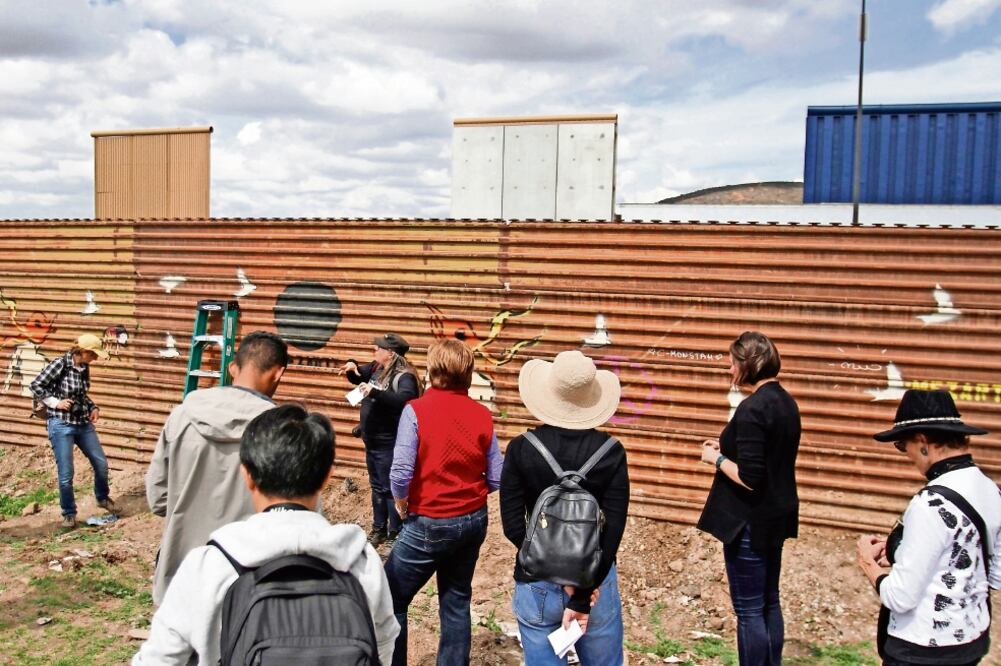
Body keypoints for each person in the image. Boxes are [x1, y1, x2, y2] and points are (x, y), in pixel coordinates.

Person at [133, 404, 399, 665]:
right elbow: (383, 646)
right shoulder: (361, 561)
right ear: (326, 477)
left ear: (247, 476)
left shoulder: (211, 564)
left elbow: (161, 658)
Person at [499, 349, 629, 665]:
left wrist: (553, 568)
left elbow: (513, 526)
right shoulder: (611, 452)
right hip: (594, 581)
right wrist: (582, 590)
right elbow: (612, 534)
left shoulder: (521, 449)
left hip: (536, 581)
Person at [856, 389, 1000, 666]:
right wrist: (902, 552)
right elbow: (993, 575)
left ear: (922, 441)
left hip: (920, 649)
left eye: (902, 444)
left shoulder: (930, 504)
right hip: (970, 644)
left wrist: (868, 564)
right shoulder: (991, 490)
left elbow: (899, 597)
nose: (905, 454)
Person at [145, 330, 288, 605]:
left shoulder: (182, 416)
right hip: (249, 589)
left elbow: (158, 498)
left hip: (181, 581)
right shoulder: (282, 429)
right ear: (278, 373)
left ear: (232, 367)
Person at [384, 338, 501, 666]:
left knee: (390, 597)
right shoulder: (481, 415)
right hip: (473, 520)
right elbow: (496, 477)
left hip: (428, 521)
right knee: (456, 600)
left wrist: (401, 503)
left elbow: (400, 471)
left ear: (432, 371)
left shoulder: (416, 410)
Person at [696, 331, 801, 666]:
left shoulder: (752, 408)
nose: (729, 370)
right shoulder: (785, 401)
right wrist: (728, 448)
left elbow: (751, 478)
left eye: (732, 363)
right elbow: (768, 458)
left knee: (749, 610)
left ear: (746, 364)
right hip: (775, 517)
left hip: (749, 524)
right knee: (770, 601)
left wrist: (717, 459)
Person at [338, 332, 420, 547]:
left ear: (391, 354)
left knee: (390, 488)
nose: (374, 351)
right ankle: (379, 529)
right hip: (372, 440)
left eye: (379, 348)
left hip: (388, 441)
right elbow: (358, 375)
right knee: (377, 487)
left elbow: (404, 399)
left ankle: (395, 533)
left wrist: (374, 393)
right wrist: (351, 367)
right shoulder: (376, 368)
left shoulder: (404, 376)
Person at [30, 333, 116, 529]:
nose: (95, 359)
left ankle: (102, 498)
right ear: (83, 352)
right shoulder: (60, 364)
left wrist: (93, 407)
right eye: (93, 355)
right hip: (61, 424)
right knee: (66, 474)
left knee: (101, 463)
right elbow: (36, 385)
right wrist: (56, 403)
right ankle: (69, 513)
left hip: (82, 423)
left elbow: (82, 395)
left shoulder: (84, 367)